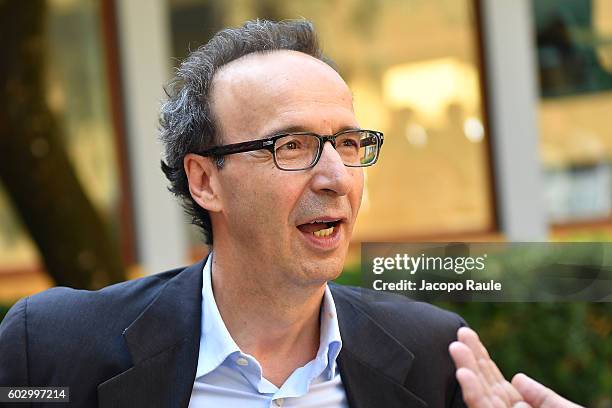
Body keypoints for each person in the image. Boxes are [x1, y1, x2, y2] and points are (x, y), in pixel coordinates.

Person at [0, 18, 581, 408]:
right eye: (292, 146)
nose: (335, 178)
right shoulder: (51, 352)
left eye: (349, 144)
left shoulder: (436, 357)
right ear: (206, 180)